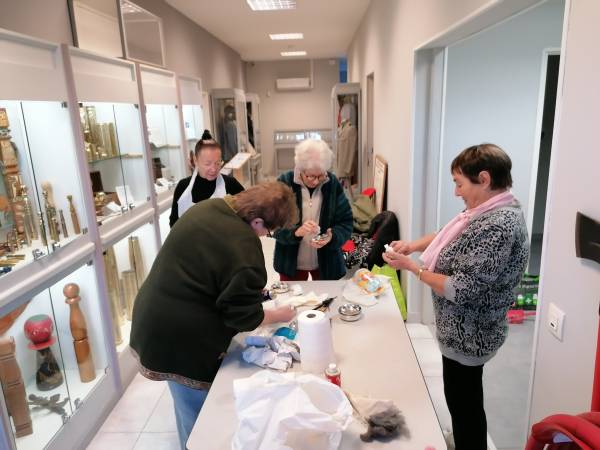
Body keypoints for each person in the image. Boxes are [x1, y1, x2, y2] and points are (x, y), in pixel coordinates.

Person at [130, 182, 298, 449]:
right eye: (269, 230)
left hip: (153, 316)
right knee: (199, 421)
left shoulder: (210, 207)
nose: (266, 236)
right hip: (178, 337)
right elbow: (242, 317)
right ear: (256, 222)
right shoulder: (245, 248)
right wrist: (277, 314)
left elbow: (209, 270)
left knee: (184, 405)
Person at [382, 143, 529, 450]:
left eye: (459, 183)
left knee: (465, 404)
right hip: (461, 330)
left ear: (484, 179)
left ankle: (468, 443)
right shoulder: (485, 210)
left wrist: (413, 267)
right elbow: (449, 233)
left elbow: (462, 289)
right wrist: (412, 245)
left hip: (471, 334)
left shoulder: (499, 226)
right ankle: (464, 439)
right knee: (462, 398)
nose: (456, 192)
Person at [273, 139, 353, 281]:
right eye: (311, 176)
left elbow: (346, 223)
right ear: (300, 169)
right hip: (291, 263)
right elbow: (274, 225)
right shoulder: (285, 183)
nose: (316, 181)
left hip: (326, 263)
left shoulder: (332, 183)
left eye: (321, 175)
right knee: (293, 302)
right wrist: (296, 232)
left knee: (327, 301)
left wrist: (332, 236)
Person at [169, 130, 244, 227]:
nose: (213, 169)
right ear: (195, 160)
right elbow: (174, 223)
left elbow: (247, 213)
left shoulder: (231, 184)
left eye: (217, 163)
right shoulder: (183, 187)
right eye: (208, 164)